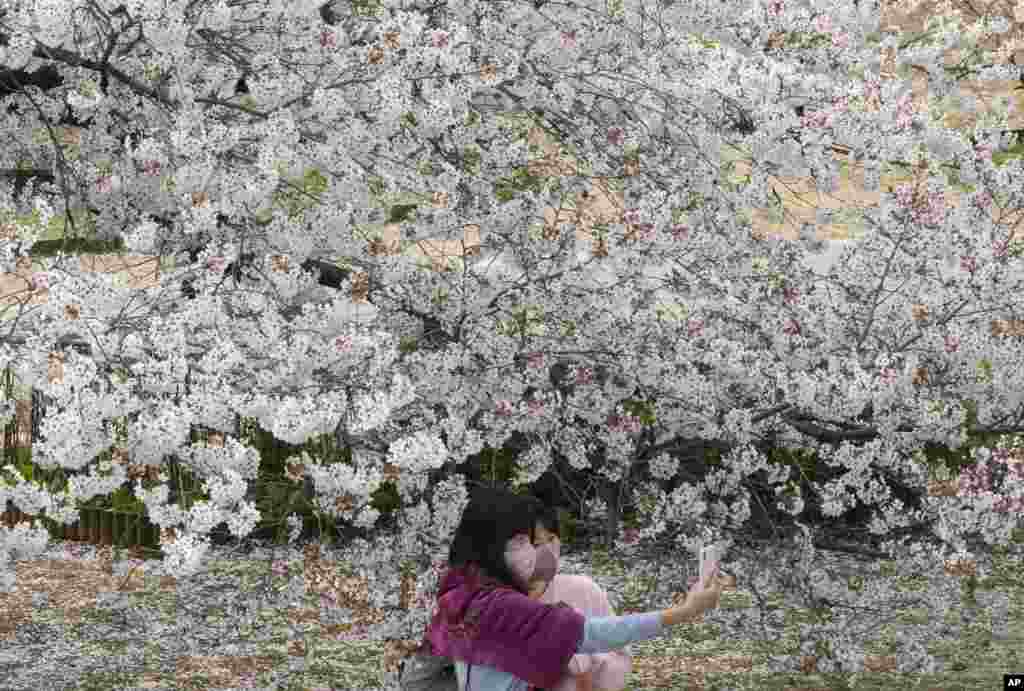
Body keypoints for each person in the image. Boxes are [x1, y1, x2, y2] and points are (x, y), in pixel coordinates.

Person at [423, 485, 726, 691]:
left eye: (534, 541)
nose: (532, 551)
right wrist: (684, 612)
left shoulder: (460, 593)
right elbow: (590, 634)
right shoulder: (501, 606)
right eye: (520, 542)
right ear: (490, 547)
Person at [525, 500, 632, 691]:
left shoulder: (583, 590)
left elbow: (621, 661)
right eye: (536, 544)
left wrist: (584, 659)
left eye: (551, 539)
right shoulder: (490, 604)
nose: (548, 550)